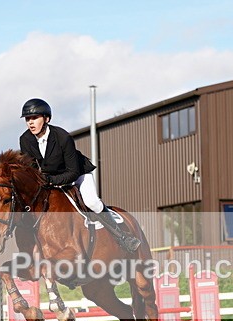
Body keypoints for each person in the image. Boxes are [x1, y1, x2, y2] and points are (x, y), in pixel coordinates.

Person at [18, 98, 141, 252]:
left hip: (77, 174)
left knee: (92, 202)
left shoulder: (63, 137)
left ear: (46, 118)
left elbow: (73, 171)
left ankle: (123, 237)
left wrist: (51, 180)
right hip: (50, 179)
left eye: (35, 118)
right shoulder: (25, 140)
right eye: (28, 119)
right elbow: (32, 169)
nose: (30, 122)